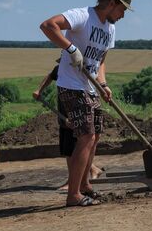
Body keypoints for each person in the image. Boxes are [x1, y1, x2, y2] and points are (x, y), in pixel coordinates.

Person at [39, 0, 132, 207]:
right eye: (122, 9)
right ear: (112, 3)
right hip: (71, 85)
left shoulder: (110, 29)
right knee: (86, 136)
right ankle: (73, 195)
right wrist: (70, 48)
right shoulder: (82, 16)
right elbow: (48, 25)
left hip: (90, 87)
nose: (123, 15)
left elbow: (100, 61)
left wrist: (104, 84)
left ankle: (85, 185)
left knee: (95, 136)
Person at [32, 62, 104, 191]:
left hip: (76, 114)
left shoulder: (82, 69)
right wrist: (39, 90)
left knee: (74, 149)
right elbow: (50, 76)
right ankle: (92, 170)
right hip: (65, 114)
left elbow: (96, 80)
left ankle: (73, 182)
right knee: (70, 149)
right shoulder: (61, 68)